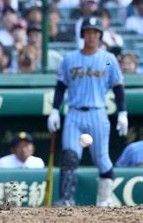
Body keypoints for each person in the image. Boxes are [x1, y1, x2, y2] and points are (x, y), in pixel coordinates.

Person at [47, 17, 128, 207]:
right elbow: (60, 86)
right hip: (74, 113)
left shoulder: (107, 61)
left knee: (101, 159)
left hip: (98, 113)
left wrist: (123, 112)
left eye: (95, 32)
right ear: (82, 34)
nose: (91, 36)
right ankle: (66, 199)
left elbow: (117, 85)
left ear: (100, 35)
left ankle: (104, 199)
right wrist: (54, 110)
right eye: (88, 32)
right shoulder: (70, 59)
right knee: (69, 156)